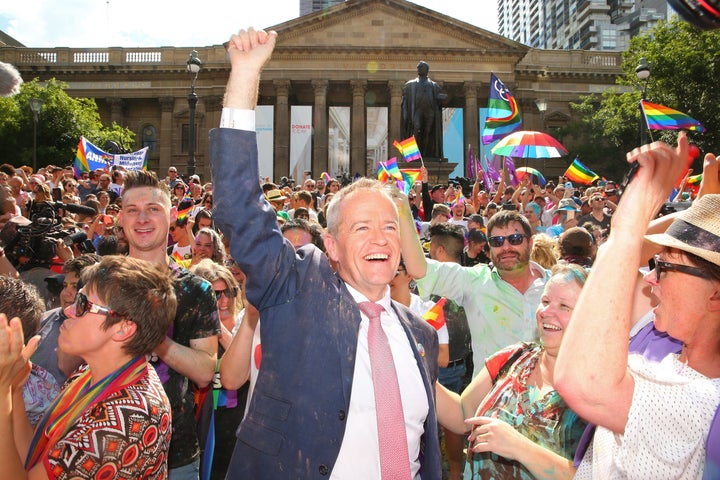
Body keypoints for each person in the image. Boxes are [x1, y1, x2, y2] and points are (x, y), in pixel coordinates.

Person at [212, 27, 441, 479]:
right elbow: (239, 207)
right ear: (331, 246)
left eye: (390, 227)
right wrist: (246, 73)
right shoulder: (296, 293)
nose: (380, 239)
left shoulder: (423, 336)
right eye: (362, 227)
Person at [555, 133, 720, 479]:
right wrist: (701, 210)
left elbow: (583, 382)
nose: (650, 279)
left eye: (665, 268)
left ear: (716, 295)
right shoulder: (667, 355)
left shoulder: (704, 403)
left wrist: (629, 225)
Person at [0, 255, 177, 479]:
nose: (68, 311)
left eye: (83, 304)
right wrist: (16, 388)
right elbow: (33, 458)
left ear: (123, 329)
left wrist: (2, 390)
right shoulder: (95, 371)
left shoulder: (117, 428)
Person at [436, 262, 589, 479]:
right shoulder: (513, 357)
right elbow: (462, 414)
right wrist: (416, 366)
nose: (546, 312)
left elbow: (592, 474)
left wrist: (518, 446)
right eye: (545, 301)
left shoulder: (600, 390)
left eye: (564, 306)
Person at [120, 169, 220, 478]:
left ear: (173, 215)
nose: (142, 218)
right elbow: (67, 362)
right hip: (103, 449)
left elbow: (205, 373)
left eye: (153, 209)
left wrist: (155, 338)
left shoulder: (196, 290)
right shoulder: (99, 284)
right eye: (132, 210)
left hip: (174, 454)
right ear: (120, 218)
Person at [403, 208, 549, 377]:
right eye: (497, 241)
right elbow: (419, 269)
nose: (506, 247)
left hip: (546, 400)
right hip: (492, 400)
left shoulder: (555, 286)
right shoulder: (475, 282)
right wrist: (403, 210)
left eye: (515, 239)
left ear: (530, 244)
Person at [190, 260, 249, 480]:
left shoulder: (247, 324)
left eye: (229, 292)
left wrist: (217, 327)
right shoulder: (193, 332)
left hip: (237, 422)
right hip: (205, 422)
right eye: (215, 295)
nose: (223, 300)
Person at [401, 61, 446, 158]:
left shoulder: (434, 85)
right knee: (416, 129)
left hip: (429, 112)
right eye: (418, 67)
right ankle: (413, 155)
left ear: (427, 70)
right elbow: (404, 102)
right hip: (417, 111)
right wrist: (405, 115)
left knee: (428, 132)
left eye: (421, 67)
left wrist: (442, 98)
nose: (419, 69)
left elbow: (438, 100)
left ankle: (425, 154)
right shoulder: (410, 85)